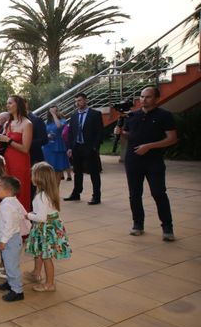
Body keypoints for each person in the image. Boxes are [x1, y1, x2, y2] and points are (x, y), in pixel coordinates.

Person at [115, 86, 178, 241]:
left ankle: (167, 227)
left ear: (156, 99)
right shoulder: (132, 116)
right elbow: (129, 136)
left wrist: (149, 146)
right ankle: (138, 224)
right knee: (134, 195)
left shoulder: (165, 115)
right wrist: (121, 133)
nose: (144, 99)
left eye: (148, 97)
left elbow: (172, 139)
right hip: (133, 161)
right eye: (142, 97)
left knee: (158, 193)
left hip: (153, 161)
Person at [24, 162, 71, 292]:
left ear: (39, 178)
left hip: (45, 229)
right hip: (49, 227)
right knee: (40, 252)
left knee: (46, 257)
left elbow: (41, 217)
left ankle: (49, 284)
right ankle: (36, 272)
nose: (31, 177)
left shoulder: (41, 197)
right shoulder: (49, 193)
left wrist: (28, 215)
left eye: (33, 175)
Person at [0, 95, 32, 211]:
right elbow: (1, 146)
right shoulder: (7, 124)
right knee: (7, 190)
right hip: (7, 161)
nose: (7, 105)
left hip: (20, 161)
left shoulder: (27, 123)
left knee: (20, 190)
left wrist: (9, 140)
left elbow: (25, 148)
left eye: (10, 103)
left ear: (18, 105)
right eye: (7, 103)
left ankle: (23, 220)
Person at [0, 176, 31, 302]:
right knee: (9, 263)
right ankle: (10, 283)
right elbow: (22, 214)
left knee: (11, 266)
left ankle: (17, 291)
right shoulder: (12, 201)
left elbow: (9, 226)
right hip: (12, 239)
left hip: (10, 240)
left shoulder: (6, 206)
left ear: (8, 191)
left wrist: (3, 240)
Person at [65, 92, 104, 205]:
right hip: (77, 147)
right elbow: (71, 133)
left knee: (94, 172)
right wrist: (70, 147)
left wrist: (95, 147)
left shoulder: (95, 114)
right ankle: (76, 193)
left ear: (85, 100)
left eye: (80, 100)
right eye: (76, 101)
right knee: (77, 172)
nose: (78, 103)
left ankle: (96, 196)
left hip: (90, 148)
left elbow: (100, 132)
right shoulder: (74, 115)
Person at [43, 106, 71, 184]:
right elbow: (43, 134)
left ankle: (56, 189)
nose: (54, 112)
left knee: (58, 169)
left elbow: (59, 126)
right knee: (48, 169)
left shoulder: (62, 120)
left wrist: (54, 114)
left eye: (56, 110)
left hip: (58, 147)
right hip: (48, 148)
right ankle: (50, 188)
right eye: (52, 111)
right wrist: (47, 136)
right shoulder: (46, 122)